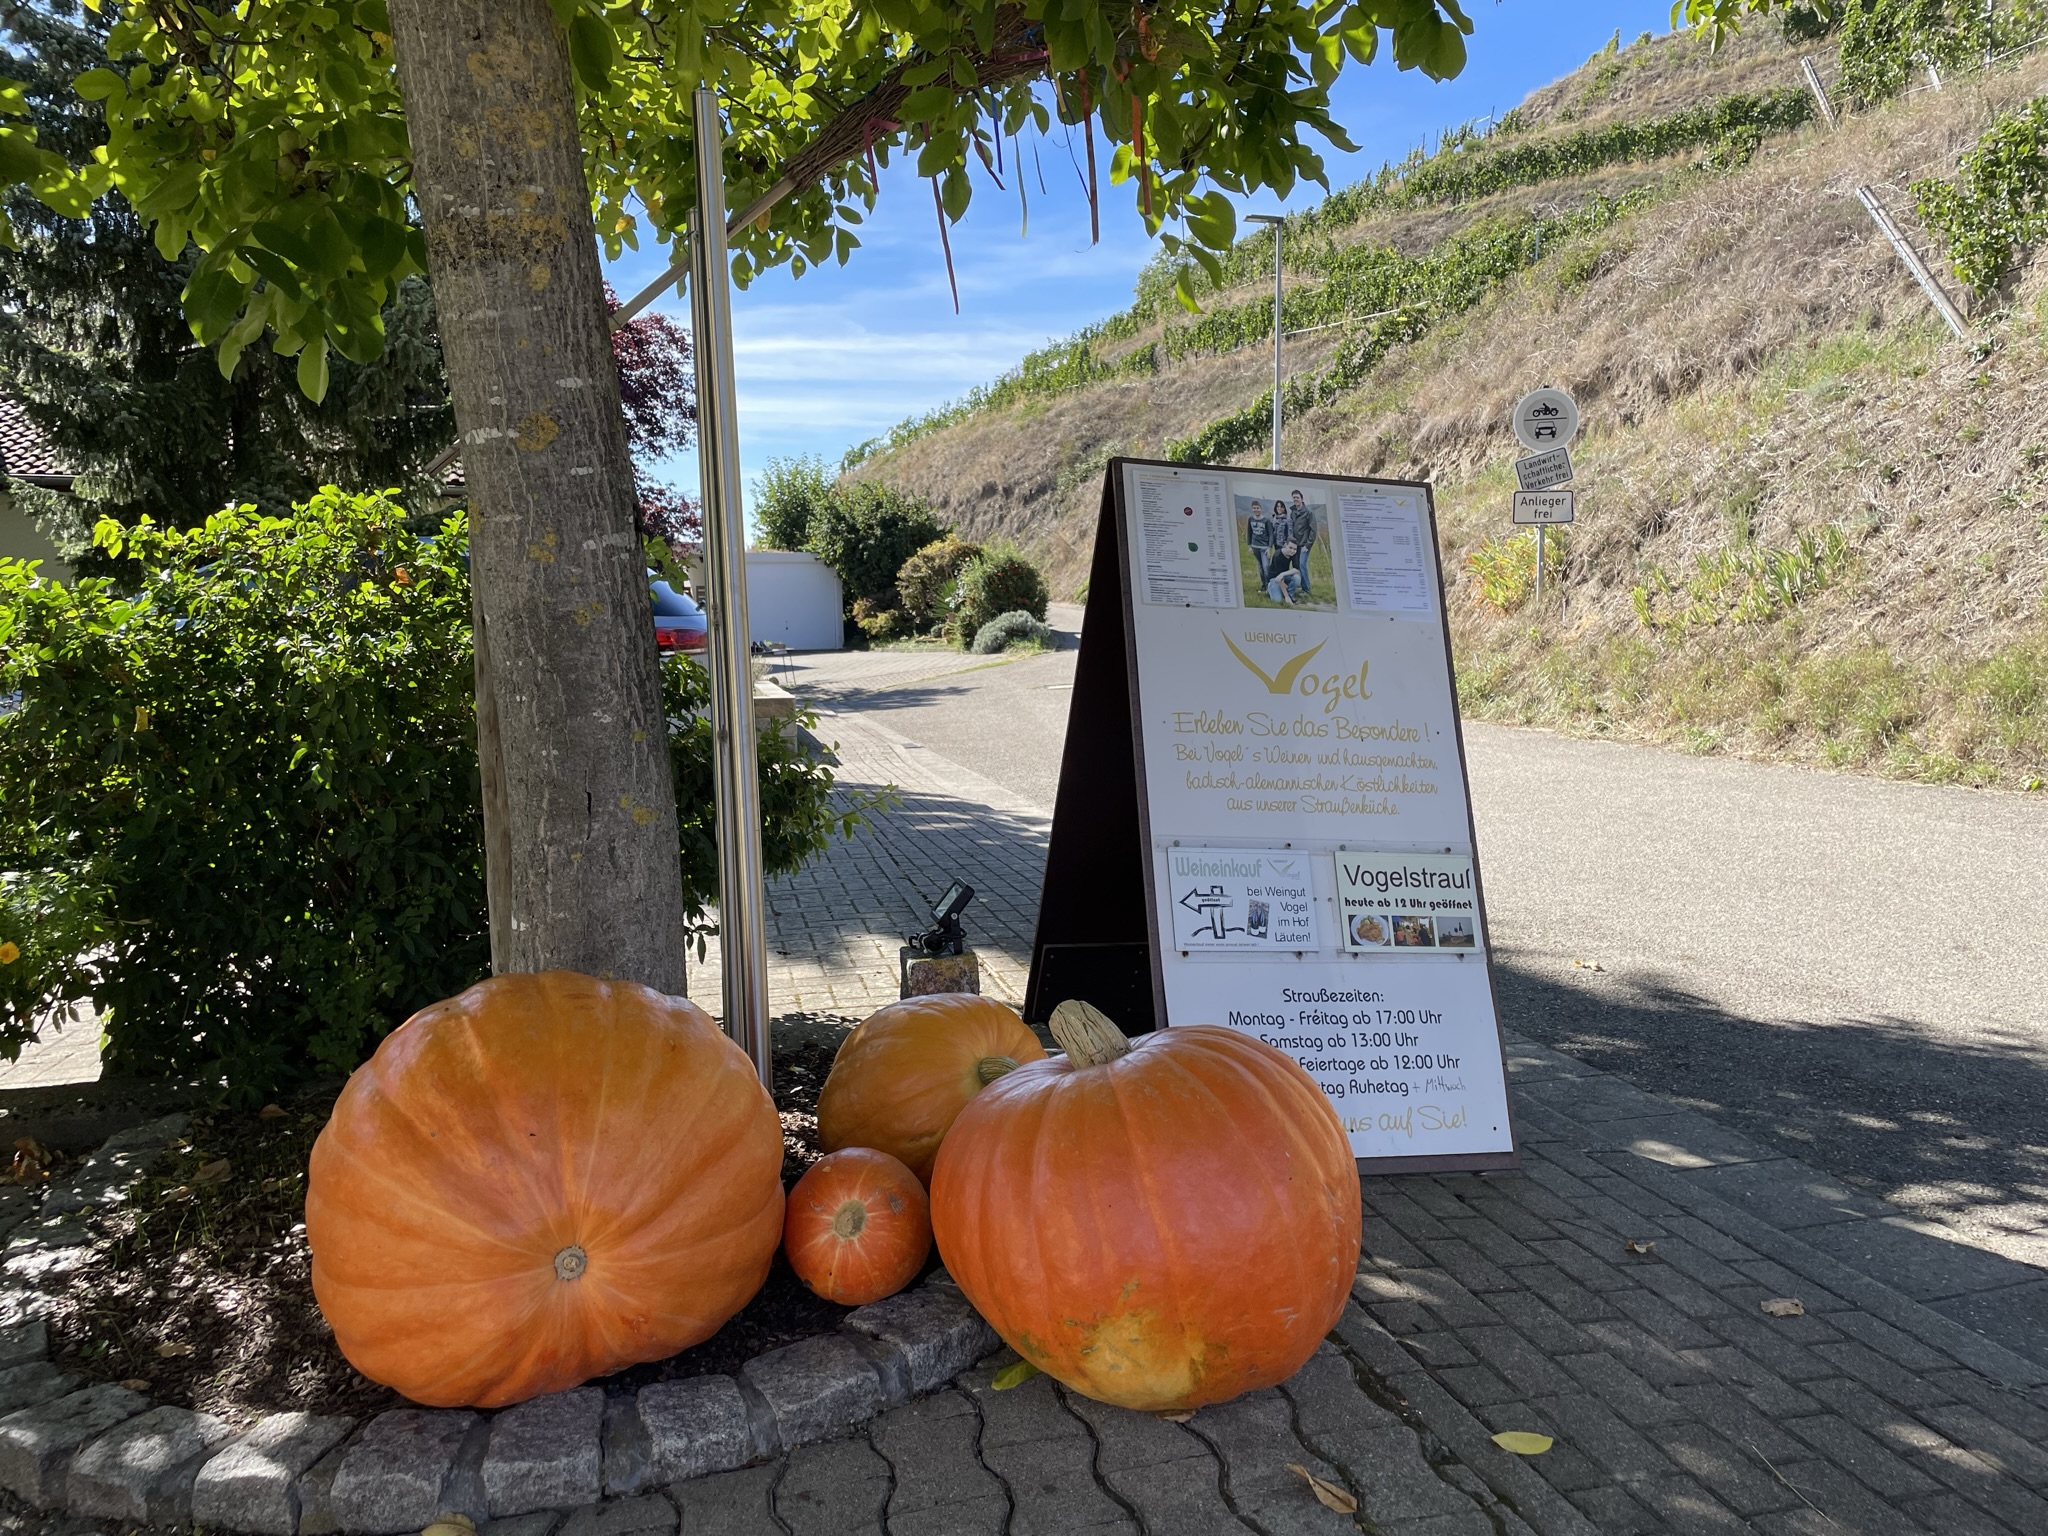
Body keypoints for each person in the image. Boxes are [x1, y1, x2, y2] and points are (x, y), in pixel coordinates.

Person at [1288, 490, 1318, 598]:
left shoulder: (1309, 513)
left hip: (1305, 544)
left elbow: (1313, 530)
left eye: (1297, 497)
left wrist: (1308, 544)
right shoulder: (1293, 512)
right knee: (1296, 566)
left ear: (1302, 499)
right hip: (1295, 544)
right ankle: (1299, 586)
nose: (1295, 499)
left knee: (1302, 564)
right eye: (1294, 498)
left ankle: (1306, 589)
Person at [1246, 499, 1274, 587]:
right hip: (1255, 546)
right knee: (1260, 567)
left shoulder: (1266, 521)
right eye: (1254, 508)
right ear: (1252, 509)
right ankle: (1263, 585)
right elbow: (1249, 533)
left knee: (1266, 567)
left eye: (1257, 508)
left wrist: (1269, 548)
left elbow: (1271, 535)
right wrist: (1249, 546)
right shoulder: (1250, 519)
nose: (1256, 510)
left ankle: (1269, 585)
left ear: (1261, 509)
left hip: (1264, 547)